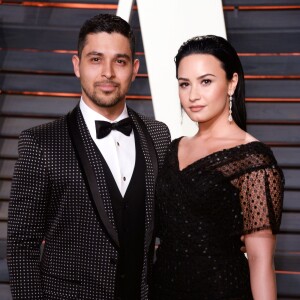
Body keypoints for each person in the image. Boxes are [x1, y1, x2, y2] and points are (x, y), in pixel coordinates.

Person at [7, 13, 170, 300]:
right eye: (95, 59)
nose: (108, 72)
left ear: (134, 69)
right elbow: (22, 245)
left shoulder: (158, 135)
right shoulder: (40, 142)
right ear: (77, 66)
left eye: (119, 61)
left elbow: (169, 223)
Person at [151, 35, 284, 300]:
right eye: (184, 84)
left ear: (231, 83)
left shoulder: (253, 160)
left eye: (206, 82)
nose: (193, 95)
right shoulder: (172, 148)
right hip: (161, 289)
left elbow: (260, 260)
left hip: (222, 290)